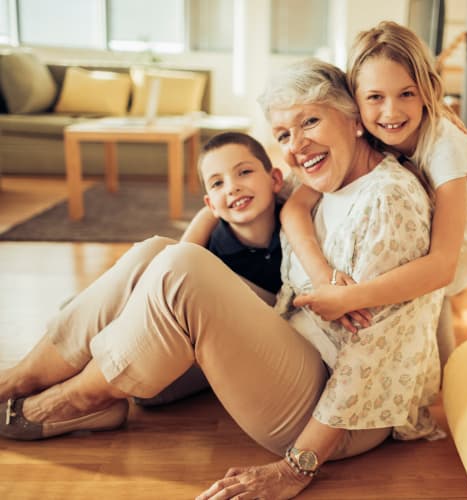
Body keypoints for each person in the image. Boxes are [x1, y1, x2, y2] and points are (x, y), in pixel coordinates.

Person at [1, 60, 443, 500]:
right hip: (294, 353)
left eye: (310, 121)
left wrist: (297, 467)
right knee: (160, 251)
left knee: (183, 269)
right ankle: (22, 378)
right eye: (284, 135)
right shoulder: (319, 178)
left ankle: (73, 401)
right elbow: (241, 196)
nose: (298, 145)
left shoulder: (388, 200)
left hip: (342, 416)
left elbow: (377, 353)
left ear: (354, 120)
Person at [0, 130, 284, 409]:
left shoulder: (295, 223)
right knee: (154, 259)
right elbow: (164, 275)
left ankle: (66, 376)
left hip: (224, 344)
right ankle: (30, 377)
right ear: (211, 204)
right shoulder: (211, 234)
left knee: (131, 367)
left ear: (275, 179)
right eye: (218, 183)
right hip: (171, 333)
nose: (232, 186)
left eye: (244, 172)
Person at [281, 21, 467, 365]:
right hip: (413, 243)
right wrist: (325, 279)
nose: (391, 112)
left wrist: (349, 299)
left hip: (449, 257)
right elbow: (294, 208)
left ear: (426, 91)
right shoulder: (366, 129)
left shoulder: (445, 145)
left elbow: (442, 266)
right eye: (375, 97)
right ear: (355, 102)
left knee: (431, 339)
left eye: (406, 93)